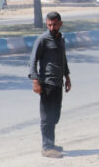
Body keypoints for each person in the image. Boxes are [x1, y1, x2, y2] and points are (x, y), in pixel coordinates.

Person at [28, 11, 71, 158]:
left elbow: (63, 59)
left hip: (58, 83)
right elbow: (32, 61)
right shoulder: (43, 39)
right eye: (49, 25)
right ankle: (46, 147)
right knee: (47, 116)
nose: (52, 28)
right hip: (46, 83)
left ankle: (51, 143)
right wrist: (35, 81)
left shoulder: (61, 39)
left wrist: (67, 77)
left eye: (54, 25)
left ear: (60, 24)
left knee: (55, 115)